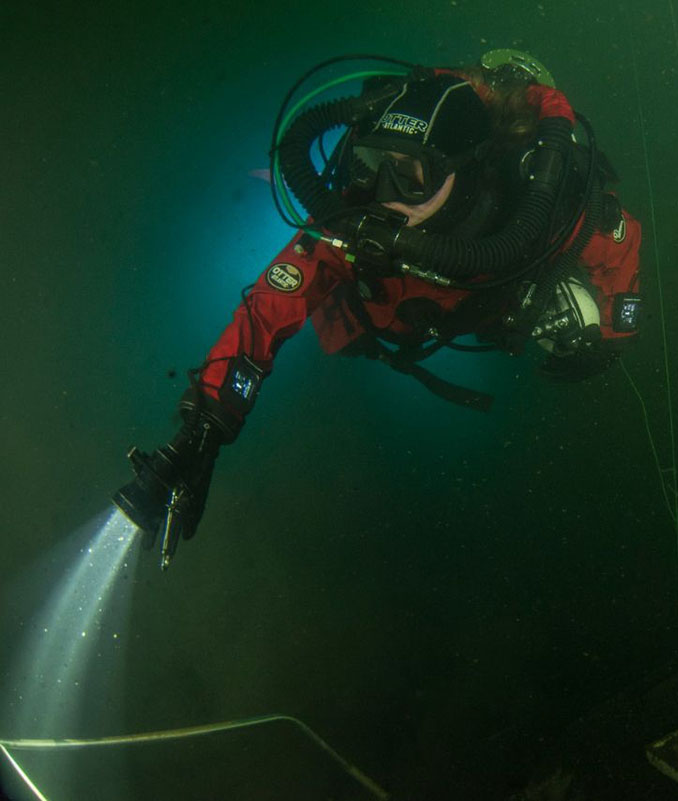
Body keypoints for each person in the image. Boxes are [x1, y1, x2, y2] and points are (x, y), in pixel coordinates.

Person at [113, 51, 644, 567]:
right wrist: (205, 425)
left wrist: (614, 340)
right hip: (367, 330)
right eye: (378, 162)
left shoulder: (533, 215)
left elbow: (622, 247)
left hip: (480, 314)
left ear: (467, 167)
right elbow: (270, 308)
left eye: (413, 175)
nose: (386, 191)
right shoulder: (358, 208)